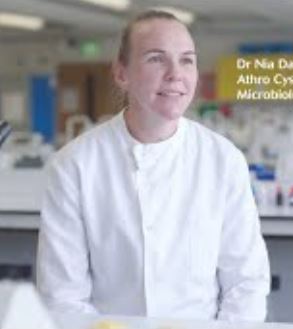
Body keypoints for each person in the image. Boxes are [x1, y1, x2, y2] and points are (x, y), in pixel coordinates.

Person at [36, 10, 270, 321]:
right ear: (122, 74)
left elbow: (246, 282)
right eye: (156, 59)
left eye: (187, 60)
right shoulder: (74, 165)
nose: (176, 73)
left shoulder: (223, 160)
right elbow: (62, 296)